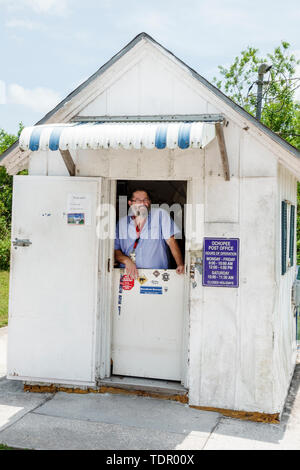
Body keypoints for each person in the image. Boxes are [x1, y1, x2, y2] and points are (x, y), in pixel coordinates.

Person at [115, 189, 185, 279]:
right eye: (138, 200)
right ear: (130, 203)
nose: (142, 203)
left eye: (145, 200)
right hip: (128, 275)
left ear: (149, 203)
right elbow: (115, 250)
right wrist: (126, 260)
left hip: (157, 275)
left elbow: (171, 241)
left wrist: (180, 264)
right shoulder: (121, 223)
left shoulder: (160, 215)